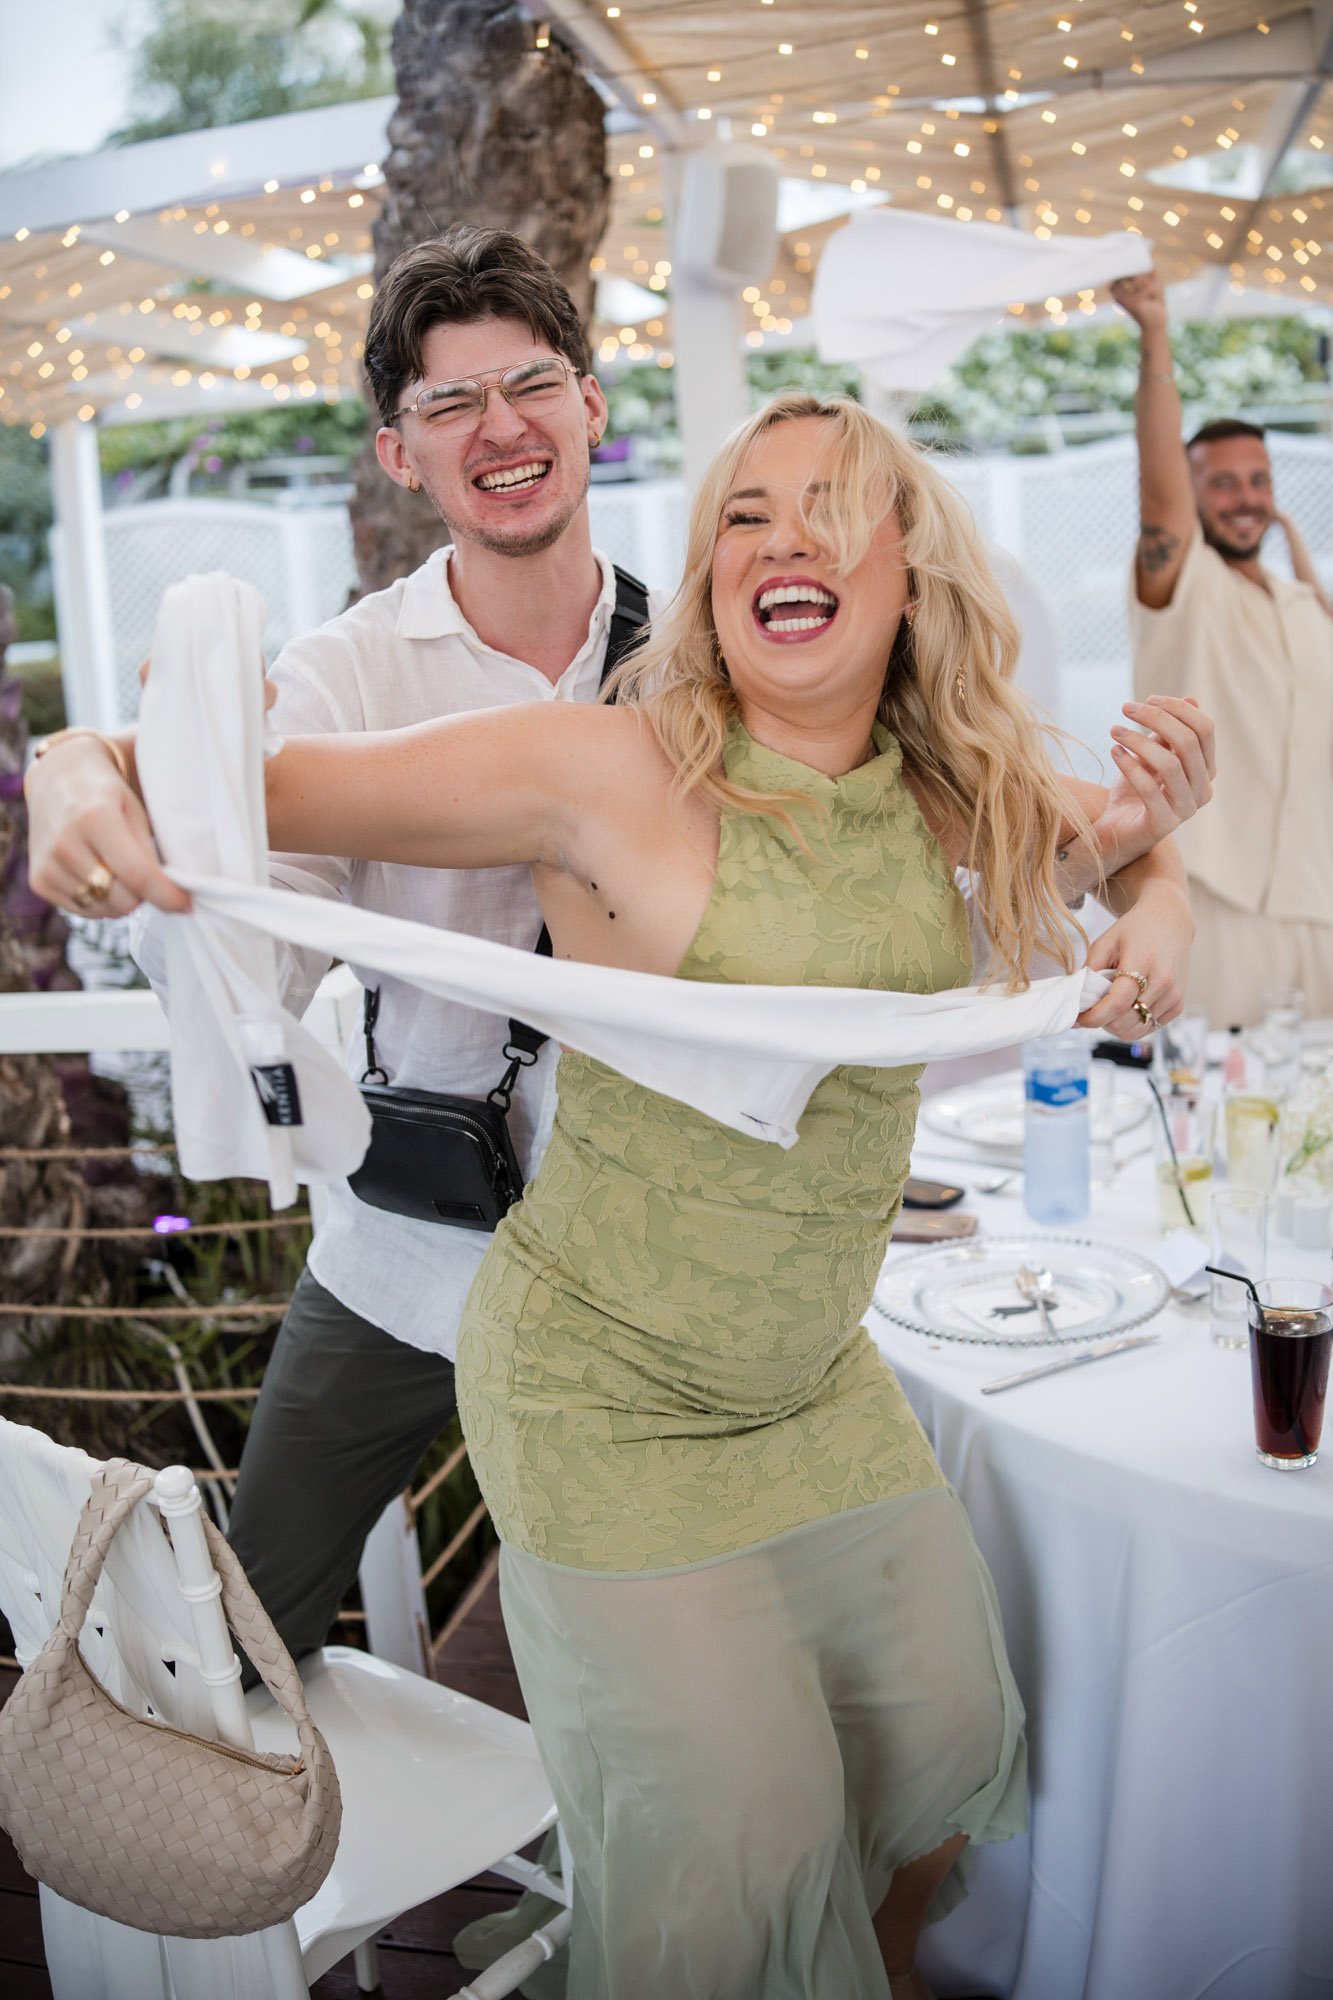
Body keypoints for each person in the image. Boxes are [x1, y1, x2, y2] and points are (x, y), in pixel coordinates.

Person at [55, 391, 1202, 2000]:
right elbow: (198, 778)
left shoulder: (959, 793)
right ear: (714, 572)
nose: (778, 537)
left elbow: (1130, 856)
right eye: (743, 513)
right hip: (604, 1395)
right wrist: (74, 775)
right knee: (744, 1845)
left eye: (827, 507)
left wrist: (1158, 906)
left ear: (909, 577)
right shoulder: (599, 767)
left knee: (933, 1763)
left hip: (810, 1383)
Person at [1113, 266, 1333, 1027]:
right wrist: (1155, 334)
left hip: (1317, 899)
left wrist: (1293, 541)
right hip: (1216, 896)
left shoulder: (1299, 602)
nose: (1245, 497)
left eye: (1259, 482)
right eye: (1223, 483)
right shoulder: (1184, 587)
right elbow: (1158, 490)